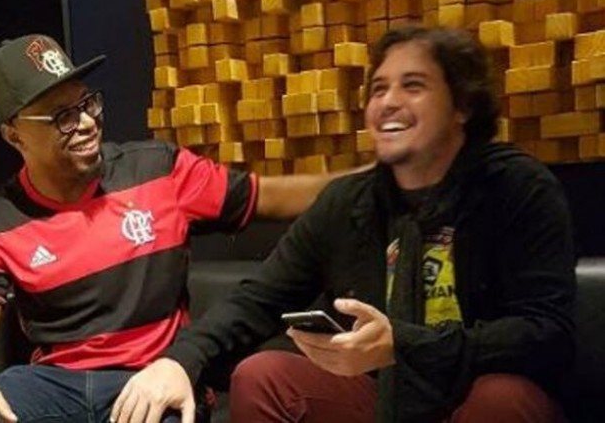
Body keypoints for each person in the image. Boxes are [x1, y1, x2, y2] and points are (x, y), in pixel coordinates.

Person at [118, 26, 576, 423]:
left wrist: (405, 344)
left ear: (462, 105)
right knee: (264, 376)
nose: (389, 102)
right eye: (378, 89)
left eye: (413, 86)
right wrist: (180, 360)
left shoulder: (516, 187)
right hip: (383, 395)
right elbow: (258, 299)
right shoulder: (348, 202)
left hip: (476, 390)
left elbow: (546, 334)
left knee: (501, 399)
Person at [0, 34, 359, 423]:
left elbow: (273, 196)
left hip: (152, 375)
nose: (86, 123)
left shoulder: (159, 170)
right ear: (14, 136)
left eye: (87, 103)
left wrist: (373, 179)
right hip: (56, 386)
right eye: (62, 116)